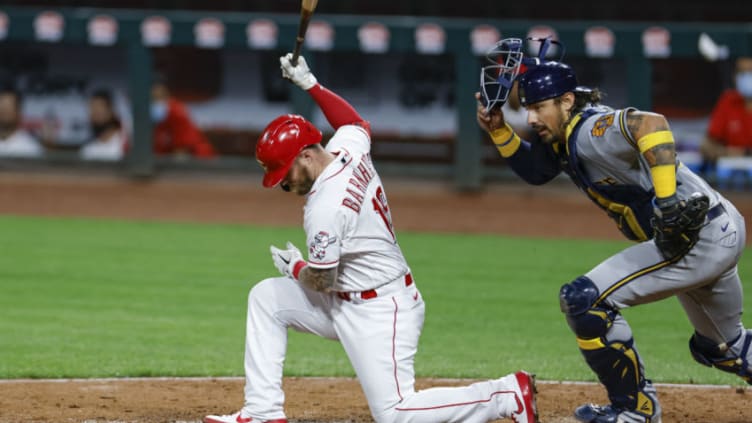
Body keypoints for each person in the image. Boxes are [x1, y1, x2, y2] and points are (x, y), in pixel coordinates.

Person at [203, 53, 539, 423]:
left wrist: (296, 266)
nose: (282, 184)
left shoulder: (326, 209)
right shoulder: (347, 151)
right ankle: (263, 411)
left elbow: (322, 279)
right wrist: (311, 84)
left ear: (306, 155)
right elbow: (354, 122)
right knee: (266, 299)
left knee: (396, 415)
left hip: (381, 311)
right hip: (346, 300)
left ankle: (505, 394)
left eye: (284, 173)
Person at [476, 59, 751, 422]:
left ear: (567, 101)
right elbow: (538, 171)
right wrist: (499, 132)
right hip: (716, 229)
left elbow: (652, 124)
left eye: (539, 108)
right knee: (725, 348)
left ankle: (634, 410)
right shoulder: (565, 134)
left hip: (696, 239)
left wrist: (667, 204)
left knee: (583, 301)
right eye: (528, 109)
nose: (531, 119)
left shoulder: (590, 130)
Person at [700, 56, 752, 163]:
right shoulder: (728, 101)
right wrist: (728, 153)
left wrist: (746, 153)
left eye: (750, 72)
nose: (747, 77)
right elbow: (706, 146)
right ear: (734, 76)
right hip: (730, 173)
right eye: (742, 73)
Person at [151, 79, 216, 159]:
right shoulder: (150, 116)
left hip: (198, 161)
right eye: (153, 98)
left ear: (168, 95)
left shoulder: (176, 111)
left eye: (160, 97)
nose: (156, 102)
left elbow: (181, 152)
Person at [79, 89, 128, 161]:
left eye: (100, 110)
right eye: (93, 110)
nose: (96, 114)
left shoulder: (126, 141)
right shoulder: (88, 150)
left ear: (111, 111)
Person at [0, 86, 43, 158]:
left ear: (18, 112)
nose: (4, 112)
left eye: (8, 108)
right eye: (1, 108)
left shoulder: (30, 149)